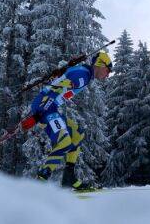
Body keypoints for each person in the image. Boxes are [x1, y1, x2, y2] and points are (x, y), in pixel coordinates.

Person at [20, 51, 112, 190]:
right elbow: (55, 90)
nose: (108, 75)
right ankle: (41, 181)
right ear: (100, 64)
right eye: (107, 70)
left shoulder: (83, 72)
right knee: (64, 141)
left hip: (51, 107)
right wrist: (38, 115)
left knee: (77, 134)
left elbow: (61, 79)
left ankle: (69, 178)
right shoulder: (82, 76)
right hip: (45, 106)